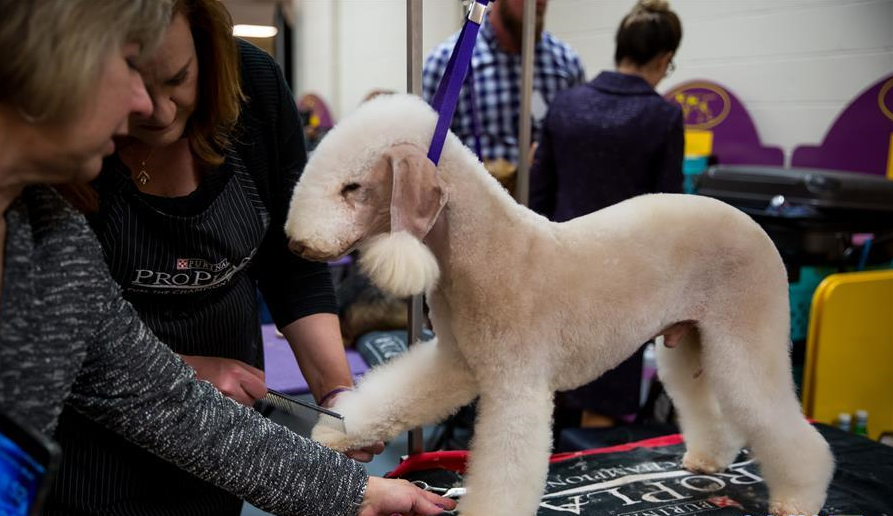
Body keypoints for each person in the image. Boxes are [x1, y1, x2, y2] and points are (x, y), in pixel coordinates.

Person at [0, 2, 454, 516]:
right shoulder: (55, 224)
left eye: (171, 77)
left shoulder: (54, 243)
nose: (146, 104)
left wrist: (358, 493)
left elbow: (166, 401)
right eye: (124, 67)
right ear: (38, 63)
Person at [529, 0, 684, 430]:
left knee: (547, 394)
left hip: (558, 269)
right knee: (603, 406)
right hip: (622, 284)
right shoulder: (664, 116)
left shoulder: (564, 105)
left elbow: (538, 197)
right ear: (664, 59)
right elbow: (667, 215)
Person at [422, 0, 585, 169]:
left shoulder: (566, 64)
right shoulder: (447, 64)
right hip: (473, 193)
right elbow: (426, 160)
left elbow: (579, 152)